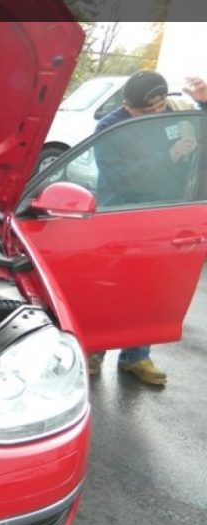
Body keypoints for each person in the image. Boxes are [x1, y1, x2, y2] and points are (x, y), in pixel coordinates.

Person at [87, 70, 207, 385]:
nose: (154, 115)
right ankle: (94, 351)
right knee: (111, 288)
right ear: (127, 103)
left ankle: (136, 357)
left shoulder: (179, 113)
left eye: (158, 108)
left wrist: (205, 104)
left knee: (151, 291)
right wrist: (169, 155)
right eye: (144, 111)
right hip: (121, 217)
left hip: (166, 218)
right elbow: (121, 178)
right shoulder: (109, 127)